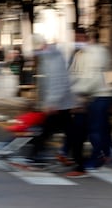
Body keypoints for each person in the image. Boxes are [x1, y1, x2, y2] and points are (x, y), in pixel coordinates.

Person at [66, 29, 112, 176]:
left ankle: (97, 157)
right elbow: (73, 74)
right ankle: (104, 153)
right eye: (75, 38)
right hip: (88, 96)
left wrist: (79, 94)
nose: (77, 41)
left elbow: (93, 77)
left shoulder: (96, 53)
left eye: (80, 38)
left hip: (101, 94)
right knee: (95, 127)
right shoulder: (79, 54)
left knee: (95, 128)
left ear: (87, 38)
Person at [28, 34, 76, 163]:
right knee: (67, 130)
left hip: (59, 103)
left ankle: (36, 155)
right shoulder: (47, 57)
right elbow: (45, 82)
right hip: (58, 103)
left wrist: (51, 103)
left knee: (48, 130)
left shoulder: (54, 58)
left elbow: (57, 82)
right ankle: (73, 156)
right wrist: (42, 101)